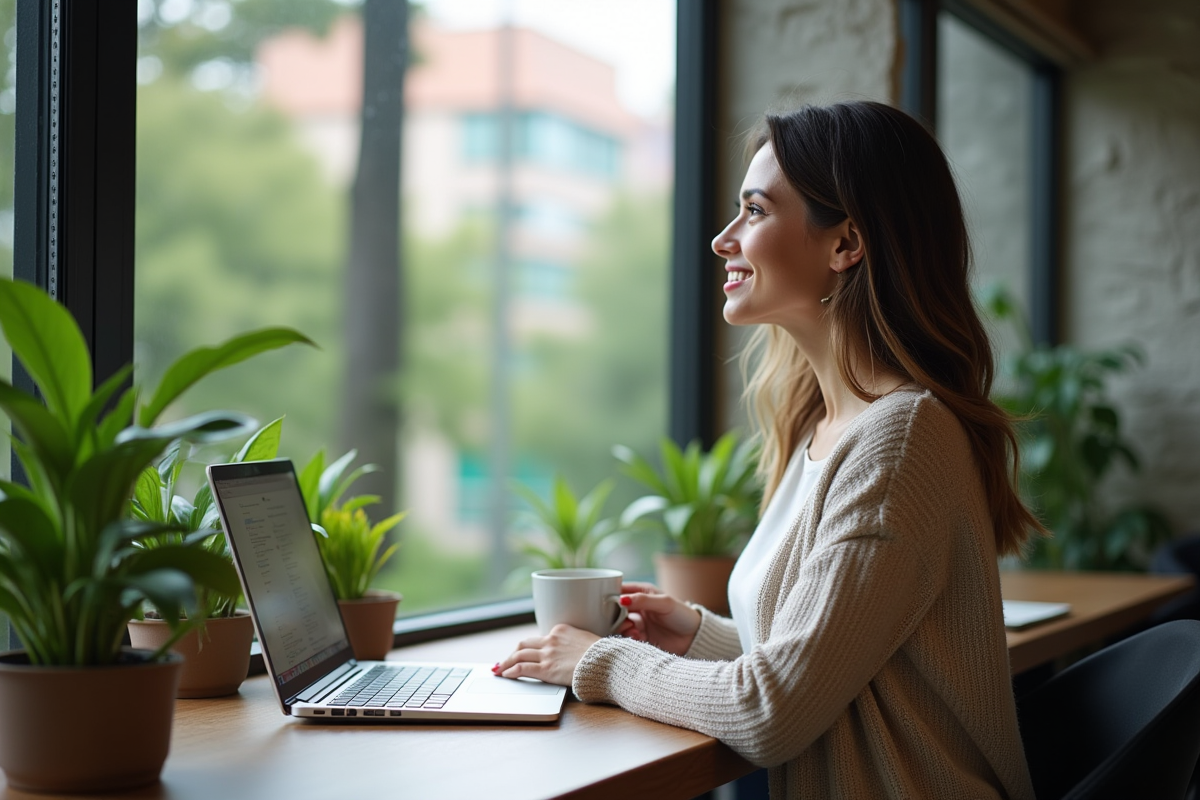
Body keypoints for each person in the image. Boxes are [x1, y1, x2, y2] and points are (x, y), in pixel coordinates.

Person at [495, 100, 1043, 800]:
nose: (722, 240)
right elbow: (830, 664)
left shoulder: (899, 441)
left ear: (846, 244)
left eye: (754, 211)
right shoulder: (825, 425)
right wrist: (696, 635)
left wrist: (597, 662)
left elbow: (770, 714)